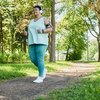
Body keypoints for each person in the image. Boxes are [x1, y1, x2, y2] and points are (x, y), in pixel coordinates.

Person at [23, 5, 53, 83]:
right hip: (32, 42)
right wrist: (26, 34)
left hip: (41, 42)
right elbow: (31, 32)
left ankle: (40, 77)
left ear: (40, 11)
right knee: (33, 58)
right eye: (34, 10)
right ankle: (43, 69)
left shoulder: (44, 19)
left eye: (36, 10)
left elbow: (50, 28)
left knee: (40, 59)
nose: (35, 11)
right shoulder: (32, 21)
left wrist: (42, 31)